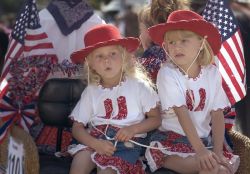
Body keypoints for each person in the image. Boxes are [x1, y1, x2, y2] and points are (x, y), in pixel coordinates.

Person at [145, 10, 240, 174]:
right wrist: (201, 151)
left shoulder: (212, 73)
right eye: (171, 42)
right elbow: (182, 113)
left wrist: (217, 151)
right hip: (172, 142)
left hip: (203, 141)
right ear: (165, 46)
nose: (177, 46)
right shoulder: (167, 73)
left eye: (184, 40)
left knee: (223, 168)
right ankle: (166, 162)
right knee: (211, 168)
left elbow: (217, 114)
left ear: (201, 43)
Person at [68, 24, 161, 174]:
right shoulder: (91, 91)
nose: (107, 60)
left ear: (124, 56)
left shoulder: (139, 86)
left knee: (106, 171)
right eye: (99, 56)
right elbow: (77, 128)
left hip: (124, 144)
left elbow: (156, 118)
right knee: (79, 165)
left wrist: (133, 129)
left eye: (113, 54)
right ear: (90, 64)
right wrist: (95, 143)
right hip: (95, 139)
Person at [138, 0, 189, 83]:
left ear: (149, 31)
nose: (140, 35)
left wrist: (147, 50)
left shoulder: (152, 56)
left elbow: (144, 81)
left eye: (141, 30)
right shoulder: (182, 47)